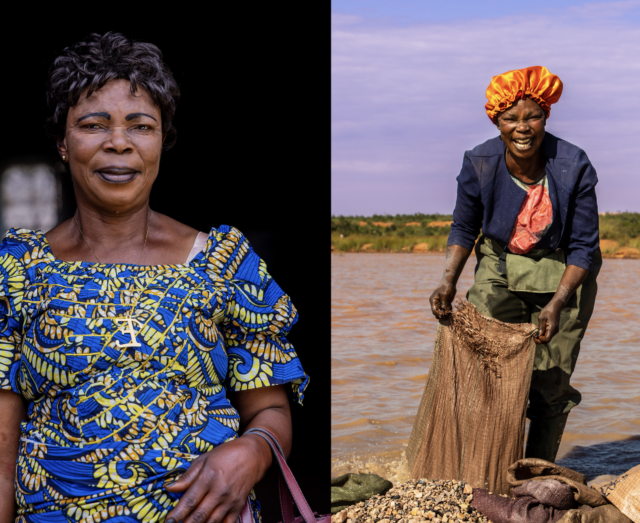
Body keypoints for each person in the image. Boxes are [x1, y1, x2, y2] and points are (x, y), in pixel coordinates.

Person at [0, 32, 308, 523]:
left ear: (162, 139)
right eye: (93, 125)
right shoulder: (16, 269)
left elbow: (270, 411)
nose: (118, 143)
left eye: (139, 125)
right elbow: (1, 451)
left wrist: (250, 454)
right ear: (62, 142)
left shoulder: (223, 262)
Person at [429, 66, 600, 463]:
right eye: (510, 119)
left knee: (549, 380)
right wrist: (447, 281)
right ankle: (487, 464)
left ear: (546, 117)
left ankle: (536, 470)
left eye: (532, 116)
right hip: (500, 264)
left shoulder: (573, 165)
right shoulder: (480, 162)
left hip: (564, 273)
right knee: (486, 367)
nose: (522, 128)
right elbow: (464, 226)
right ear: (497, 122)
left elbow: (584, 247)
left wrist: (557, 303)